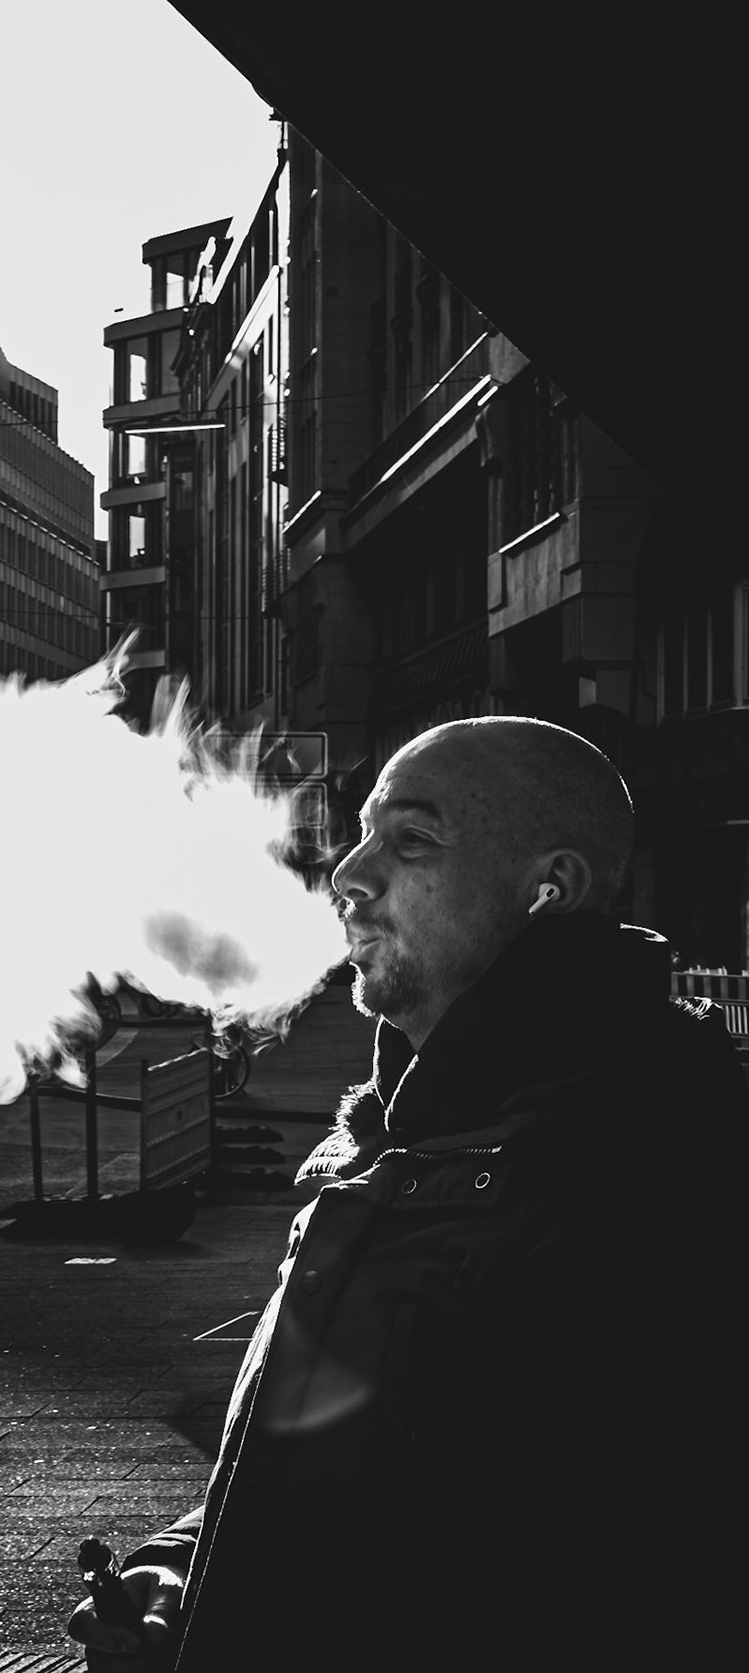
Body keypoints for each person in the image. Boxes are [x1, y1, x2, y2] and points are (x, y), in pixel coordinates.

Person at [67, 716, 741, 1670]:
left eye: (411, 840)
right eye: (364, 832)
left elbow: (617, 1573)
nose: (351, 871)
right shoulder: (392, 1136)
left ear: (551, 893)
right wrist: (186, 1572)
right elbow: (333, 1449)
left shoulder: (657, 1156)